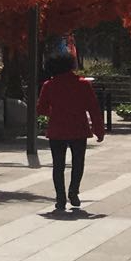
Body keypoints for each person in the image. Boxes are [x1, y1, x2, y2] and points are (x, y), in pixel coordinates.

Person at [35, 53, 104, 213]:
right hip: (78, 128)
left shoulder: (49, 85)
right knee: (78, 162)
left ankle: (60, 197)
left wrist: (55, 112)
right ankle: (74, 191)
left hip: (57, 129)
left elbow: (41, 109)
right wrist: (99, 130)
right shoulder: (83, 84)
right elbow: (94, 109)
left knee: (58, 165)